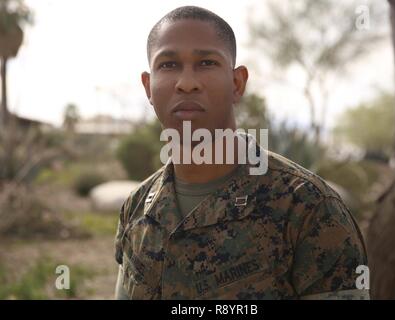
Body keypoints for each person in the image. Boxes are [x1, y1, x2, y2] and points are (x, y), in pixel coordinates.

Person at [114, 5, 369, 300]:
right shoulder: (136, 209)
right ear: (148, 86)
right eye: (168, 65)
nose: (186, 83)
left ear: (237, 83)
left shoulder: (307, 207)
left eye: (206, 63)